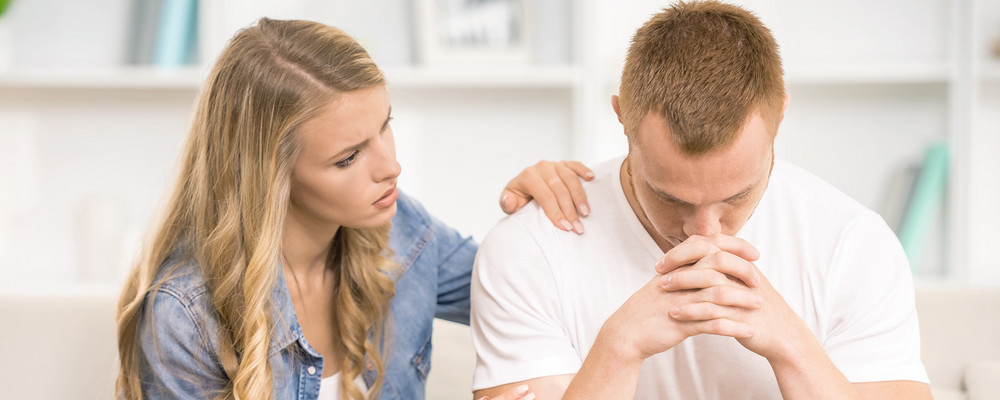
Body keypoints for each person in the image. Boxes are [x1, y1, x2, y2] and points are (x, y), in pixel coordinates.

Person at [470, 2, 933, 399]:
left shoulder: (853, 244)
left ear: (780, 117)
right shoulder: (530, 247)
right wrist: (619, 347)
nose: (705, 233)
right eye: (670, 198)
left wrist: (794, 349)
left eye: (737, 196)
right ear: (621, 117)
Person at [114, 18, 593, 400]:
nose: (392, 167)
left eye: (386, 125)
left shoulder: (405, 231)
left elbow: (548, 299)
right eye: (348, 158)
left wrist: (539, 220)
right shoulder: (185, 314)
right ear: (269, 178)